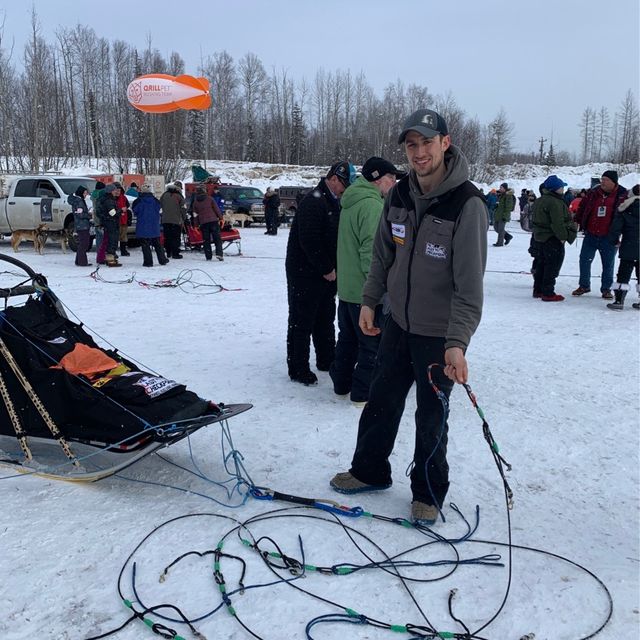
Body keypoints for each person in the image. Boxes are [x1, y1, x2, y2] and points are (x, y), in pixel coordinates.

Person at [329, 108, 488, 526]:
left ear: (445, 143)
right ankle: (369, 470)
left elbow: (469, 287)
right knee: (380, 401)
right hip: (397, 322)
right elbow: (383, 254)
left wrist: (457, 342)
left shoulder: (466, 203)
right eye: (411, 145)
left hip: (438, 333)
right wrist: (369, 300)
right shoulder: (398, 195)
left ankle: (428, 491)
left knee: (431, 415)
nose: (419, 153)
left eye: (427, 143)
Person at [330, 156, 404, 406]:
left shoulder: (350, 201)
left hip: (347, 288)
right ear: (377, 179)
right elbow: (370, 254)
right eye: (391, 179)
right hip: (364, 292)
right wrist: (377, 291)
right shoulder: (372, 206)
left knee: (347, 340)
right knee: (371, 345)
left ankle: (341, 384)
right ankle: (362, 394)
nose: (393, 184)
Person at [285, 160, 355, 386]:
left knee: (325, 317)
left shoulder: (334, 201)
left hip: (327, 274)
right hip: (305, 273)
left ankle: (326, 358)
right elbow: (309, 240)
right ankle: (298, 368)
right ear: (333, 179)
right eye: (344, 184)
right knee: (302, 321)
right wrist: (326, 268)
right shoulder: (313, 202)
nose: (346, 189)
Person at [572, 170, 628, 299]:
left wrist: (623, 234)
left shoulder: (622, 195)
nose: (602, 182)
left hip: (609, 237)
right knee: (584, 260)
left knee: (608, 264)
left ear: (614, 182)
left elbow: (627, 216)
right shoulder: (593, 193)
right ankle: (584, 285)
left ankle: (606, 289)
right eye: (602, 179)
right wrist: (578, 220)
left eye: (606, 180)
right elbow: (583, 207)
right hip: (591, 234)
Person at [531, 175, 578, 301]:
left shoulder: (540, 200)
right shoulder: (555, 202)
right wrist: (563, 237)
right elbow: (557, 222)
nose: (563, 189)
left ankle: (538, 289)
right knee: (552, 265)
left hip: (539, 237)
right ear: (555, 188)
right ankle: (548, 292)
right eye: (561, 187)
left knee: (541, 264)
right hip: (552, 237)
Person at [606, 184, 639, 311]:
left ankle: (619, 300)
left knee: (624, 274)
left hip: (629, 244)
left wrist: (614, 240)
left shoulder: (624, 207)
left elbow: (616, 227)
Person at [132, 185, 169, 267]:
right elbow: (160, 210)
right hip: (154, 225)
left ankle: (148, 262)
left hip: (142, 225)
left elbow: (135, 211)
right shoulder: (156, 201)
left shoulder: (138, 201)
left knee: (145, 245)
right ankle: (162, 260)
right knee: (157, 244)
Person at [190, 185, 224, 261]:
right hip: (213, 221)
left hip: (203, 223)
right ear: (204, 191)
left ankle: (208, 256)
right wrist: (221, 218)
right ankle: (219, 254)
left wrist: (195, 225)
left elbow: (195, 215)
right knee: (217, 239)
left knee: (206, 240)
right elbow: (216, 209)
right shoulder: (210, 199)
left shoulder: (195, 202)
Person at [95, 183, 122, 267]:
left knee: (110, 241)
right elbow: (112, 213)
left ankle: (110, 259)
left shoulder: (106, 199)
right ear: (110, 191)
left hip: (108, 223)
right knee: (112, 242)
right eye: (114, 190)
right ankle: (110, 260)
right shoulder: (109, 201)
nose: (116, 191)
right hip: (111, 223)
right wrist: (121, 210)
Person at [160, 182, 186, 259]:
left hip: (165, 220)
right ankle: (175, 253)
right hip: (176, 220)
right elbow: (183, 208)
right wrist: (183, 218)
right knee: (176, 237)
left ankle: (168, 252)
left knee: (167, 236)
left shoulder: (164, 195)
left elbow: (160, 205)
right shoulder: (179, 196)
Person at [68, 185, 92, 267]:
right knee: (84, 244)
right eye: (85, 193)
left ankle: (78, 261)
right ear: (81, 193)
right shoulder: (79, 201)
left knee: (82, 243)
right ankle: (82, 262)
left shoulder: (77, 200)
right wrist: (89, 215)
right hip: (82, 225)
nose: (86, 195)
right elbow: (80, 214)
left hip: (79, 225)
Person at [91, 181, 106, 264]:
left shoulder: (94, 195)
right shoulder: (101, 194)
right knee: (102, 239)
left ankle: (99, 255)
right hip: (101, 219)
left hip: (96, 219)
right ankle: (101, 256)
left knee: (98, 238)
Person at [115, 182, 131, 257]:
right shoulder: (112, 198)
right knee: (114, 237)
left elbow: (127, 205)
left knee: (123, 236)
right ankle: (113, 251)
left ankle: (123, 250)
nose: (118, 192)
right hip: (115, 221)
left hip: (123, 219)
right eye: (116, 190)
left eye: (119, 190)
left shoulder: (123, 197)